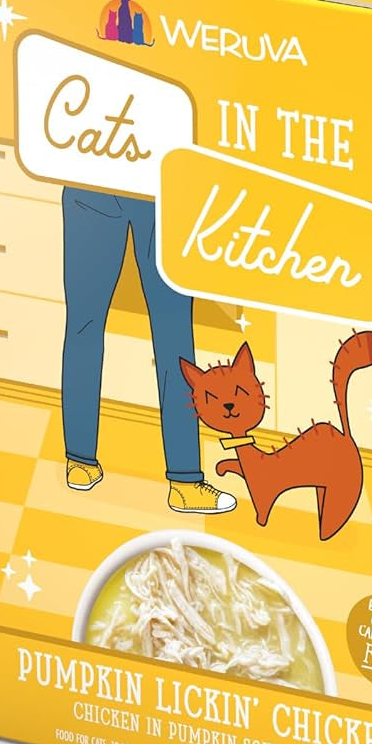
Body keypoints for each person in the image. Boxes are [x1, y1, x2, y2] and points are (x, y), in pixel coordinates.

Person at [60, 186, 236, 514]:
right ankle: (86, 461)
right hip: (115, 181)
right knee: (161, 330)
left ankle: (179, 479)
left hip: (139, 184)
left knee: (158, 327)